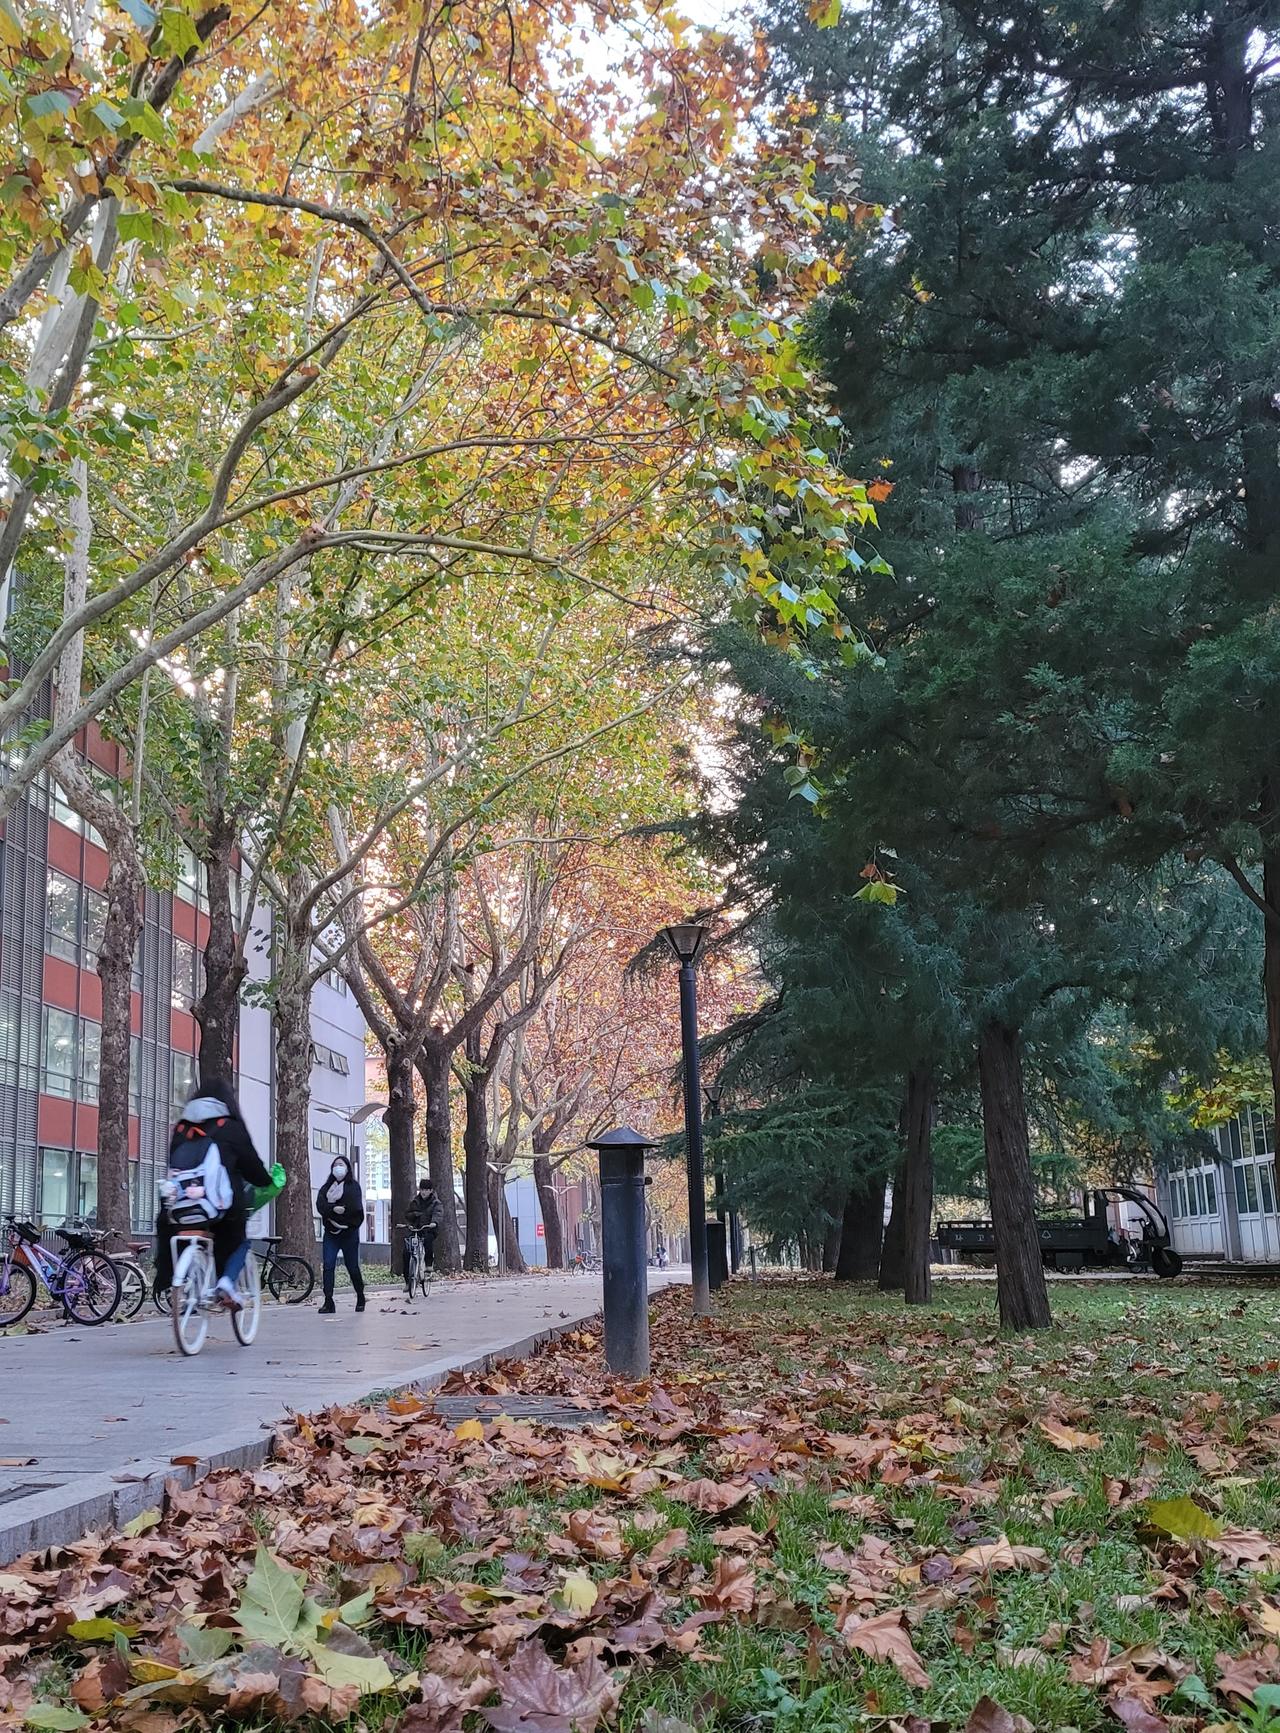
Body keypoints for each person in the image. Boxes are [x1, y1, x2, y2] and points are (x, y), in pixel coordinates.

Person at [156, 1077, 272, 1310]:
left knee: (171, 1227)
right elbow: (251, 1166)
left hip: (181, 1206)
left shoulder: (181, 1128)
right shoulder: (231, 1126)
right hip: (223, 1208)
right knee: (240, 1241)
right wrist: (265, 1181)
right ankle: (227, 1283)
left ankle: (176, 1279)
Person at [316, 1156, 365, 1314]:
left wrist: (340, 1215)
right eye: (335, 1165)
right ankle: (328, 1300)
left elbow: (354, 1208)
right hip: (331, 1233)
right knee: (328, 1265)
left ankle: (360, 1295)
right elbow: (321, 1205)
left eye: (341, 1165)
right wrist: (333, 1210)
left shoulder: (353, 1187)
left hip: (349, 1233)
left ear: (347, 1168)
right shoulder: (327, 1187)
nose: (338, 1167)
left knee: (352, 1267)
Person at [405, 1177, 443, 1268]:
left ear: (431, 1190)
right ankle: (408, 1272)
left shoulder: (435, 1203)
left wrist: (434, 1223)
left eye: (426, 1190)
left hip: (429, 1229)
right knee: (407, 1247)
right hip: (416, 1230)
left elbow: (438, 1214)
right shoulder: (415, 1202)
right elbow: (407, 1214)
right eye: (422, 1189)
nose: (423, 1192)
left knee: (428, 1241)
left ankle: (428, 1265)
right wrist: (413, 1215)